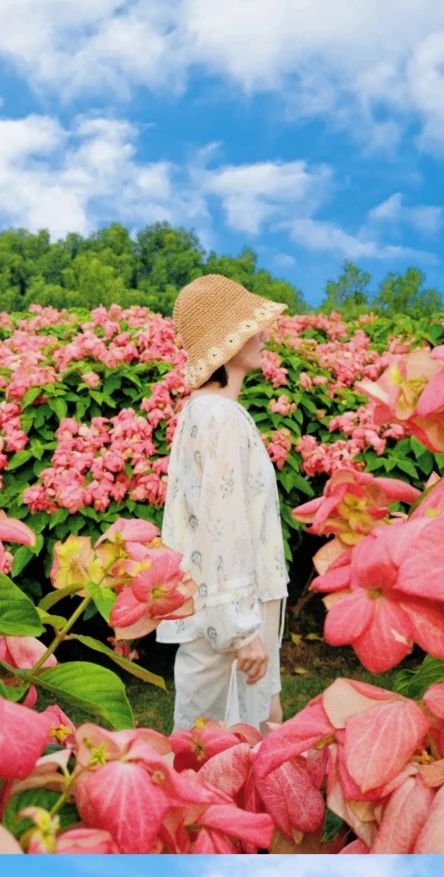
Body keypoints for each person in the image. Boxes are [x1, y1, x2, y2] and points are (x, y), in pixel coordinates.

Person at [158, 273, 291, 732]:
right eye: (249, 325)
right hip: (234, 620)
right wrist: (242, 631)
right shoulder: (219, 418)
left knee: (242, 742)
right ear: (225, 340)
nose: (262, 335)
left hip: (233, 613)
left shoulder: (205, 413)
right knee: (217, 761)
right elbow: (221, 527)